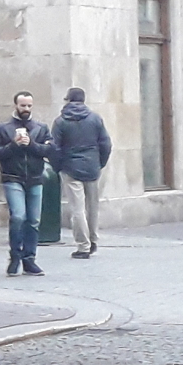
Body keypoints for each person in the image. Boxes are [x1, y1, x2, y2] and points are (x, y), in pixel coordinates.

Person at [0, 91, 53, 276]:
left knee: (33, 220)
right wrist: (14, 145)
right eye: (23, 105)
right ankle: (15, 255)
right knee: (18, 216)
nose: (26, 109)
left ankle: (29, 259)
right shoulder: (3, 128)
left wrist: (31, 143)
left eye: (29, 106)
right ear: (15, 105)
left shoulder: (41, 128)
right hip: (12, 177)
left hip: (35, 178)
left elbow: (49, 150)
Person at [50, 86, 112, 259]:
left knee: (77, 209)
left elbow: (54, 148)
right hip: (92, 167)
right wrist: (100, 163)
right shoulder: (95, 119)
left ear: (68, 100)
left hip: (70, 168)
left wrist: (58, 167)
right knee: (92, 208)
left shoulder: (61, 121)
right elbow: (106, 144)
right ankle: (93, 240)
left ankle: (83, 245)